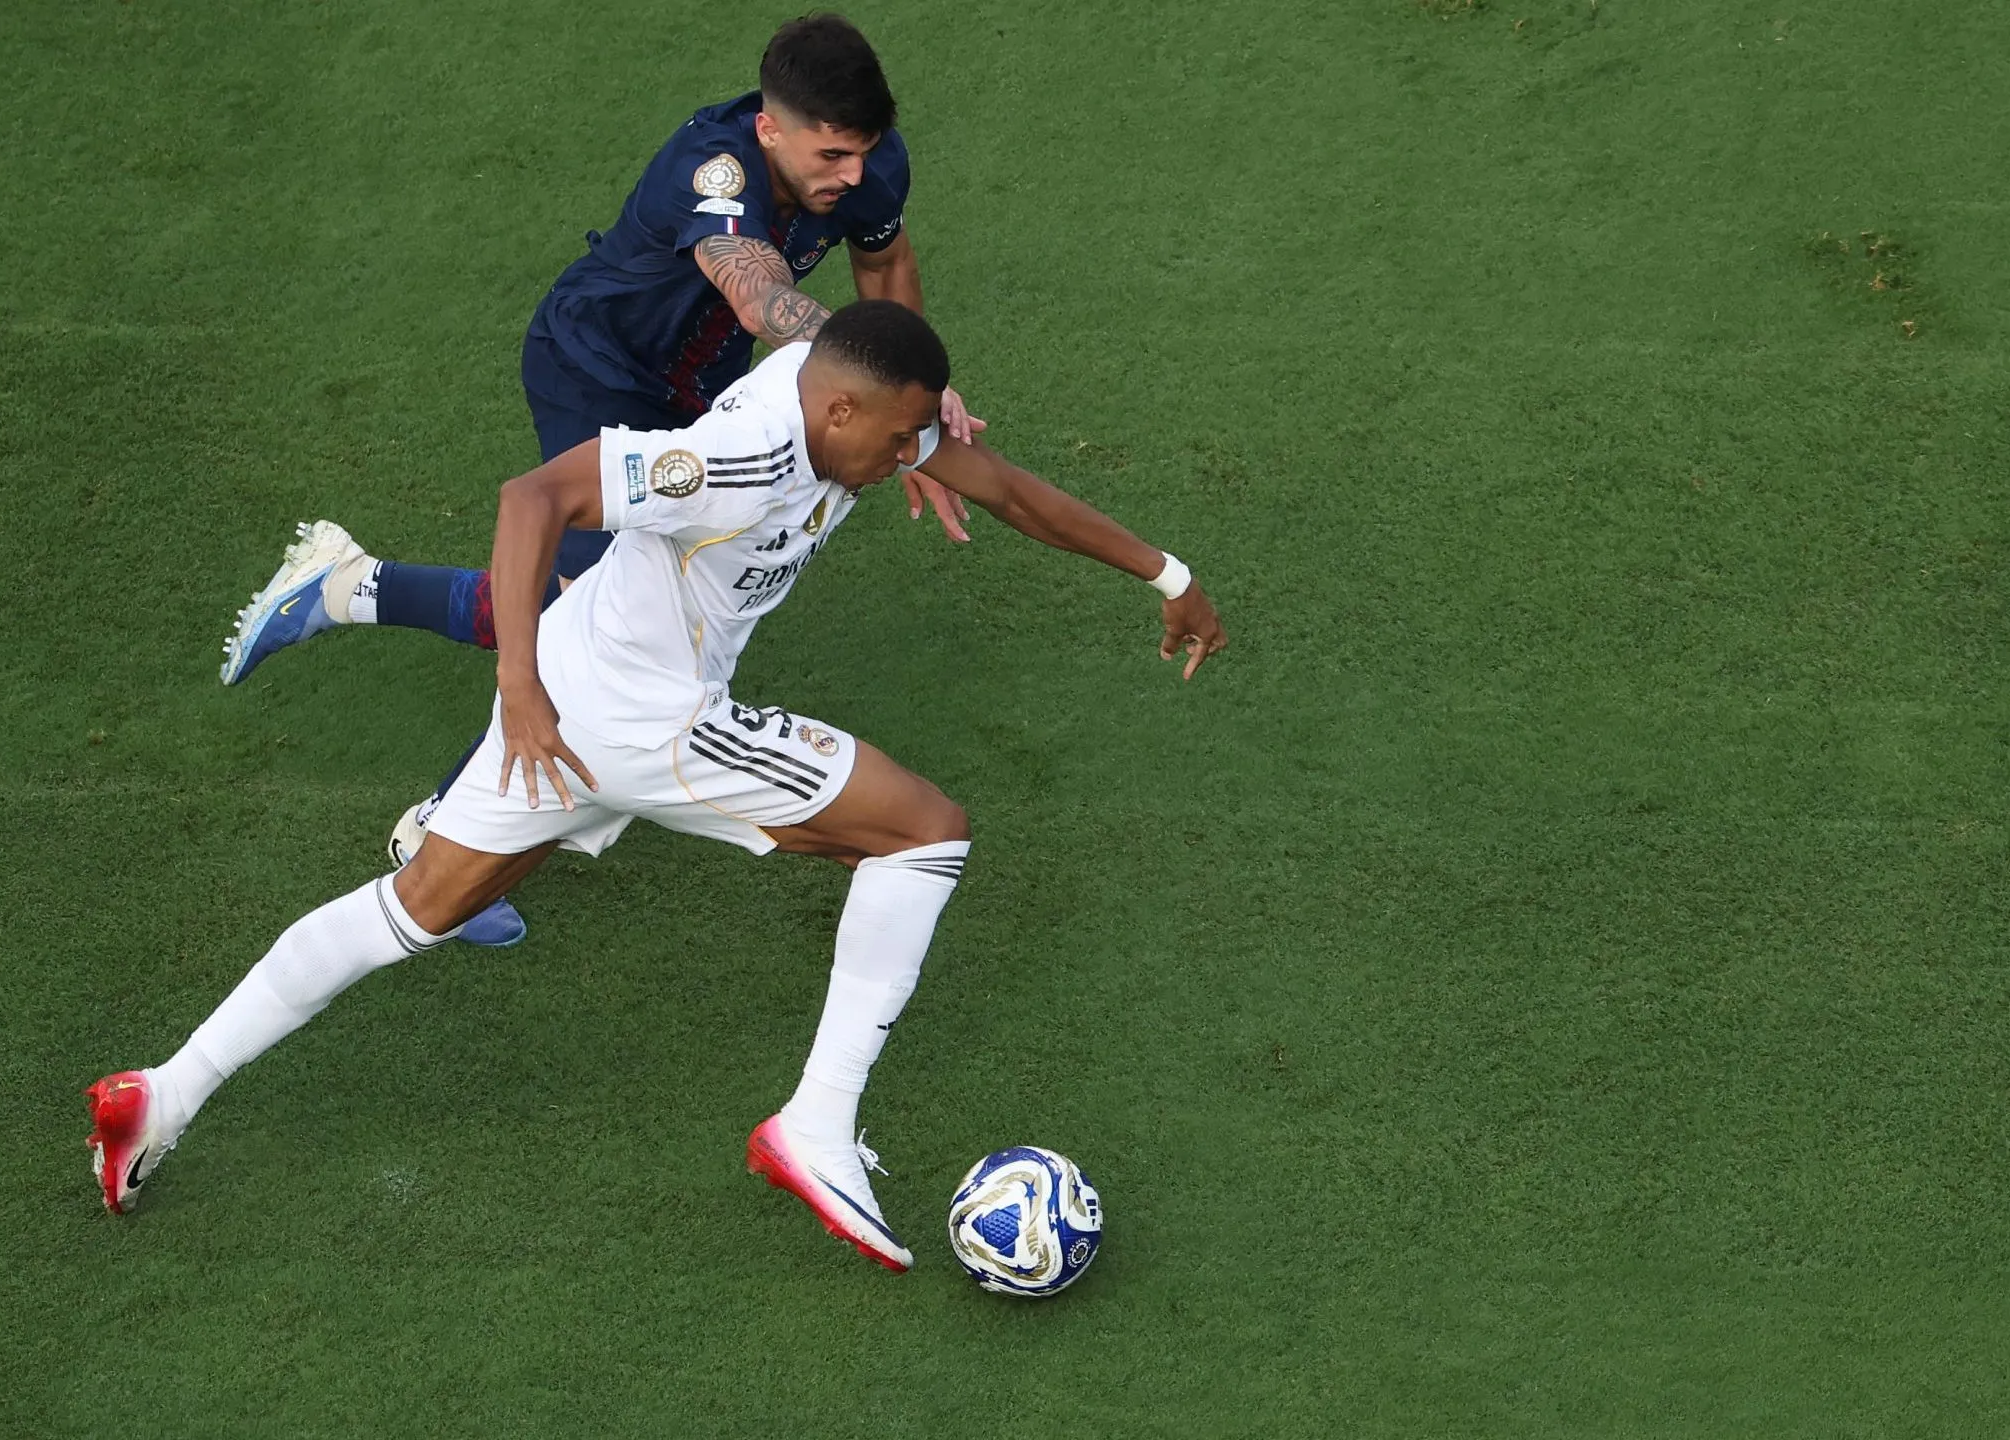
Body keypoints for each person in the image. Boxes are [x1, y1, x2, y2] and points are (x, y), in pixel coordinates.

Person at [88, 301, 1227, 1273]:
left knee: (414, 907)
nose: (906, 464)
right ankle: (815, 1124)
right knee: (923, 833)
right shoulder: (736, 459)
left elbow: (1005, 487)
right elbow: (533, 497)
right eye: (894, 443)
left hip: (585, 682)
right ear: (837, 411)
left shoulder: (852, 403)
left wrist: (1166, 573)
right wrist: (514, 684)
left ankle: (165, 1091)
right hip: (642, 718)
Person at [214, 15, 985, 947]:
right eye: (832, 155)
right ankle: (437, 817)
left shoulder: (867, 165)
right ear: (770, 129)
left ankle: (348, 586)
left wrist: (911, 398)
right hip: (595, 371)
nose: (852, 175)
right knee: (575, 604)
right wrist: (885, 385)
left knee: (597, 604)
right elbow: (757, 298)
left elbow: (885, 261)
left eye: (862, 152)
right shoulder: (714, 172)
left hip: (695, 394)